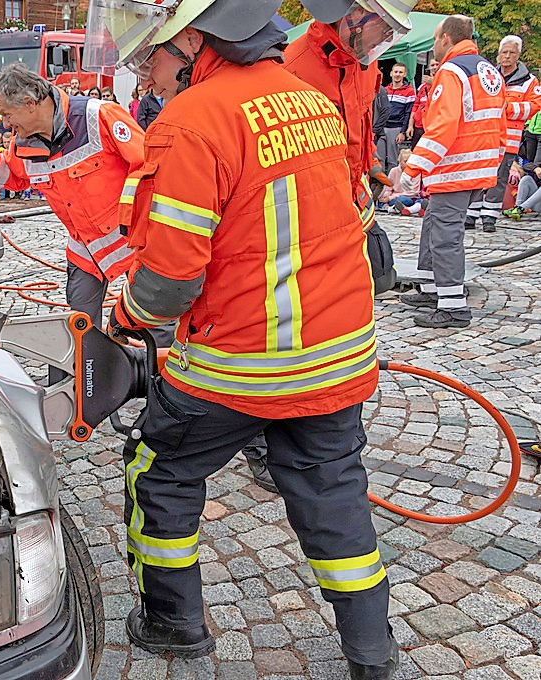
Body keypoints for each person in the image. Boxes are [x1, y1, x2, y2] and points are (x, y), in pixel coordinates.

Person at [85, 0, 403, 676]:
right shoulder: (308, 100)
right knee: (333, 495)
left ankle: (173, 623)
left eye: (152, 57)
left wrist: (125, 316)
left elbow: (170, 280)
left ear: (196, 42)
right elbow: (352, 212)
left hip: (242, 366)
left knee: (160, 470)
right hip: (338, 357)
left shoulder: (191, 120)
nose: (145, 76)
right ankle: (372, 654)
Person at [244, 0, 413, 494]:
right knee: (281, 329)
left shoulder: (364, 61)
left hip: (344, 216)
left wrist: (372, 178)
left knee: (334, 325)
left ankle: (320, 428)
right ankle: (262, 441)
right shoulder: (294, 65)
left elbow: (355, 136)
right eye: (381, 26)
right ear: (349, 15)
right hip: (296, 225)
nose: (383, 40)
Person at [0, 63, 145, 332]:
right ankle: (85, 371)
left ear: (30, 103)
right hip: (85, 247)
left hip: (134, 241)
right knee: (79, 326)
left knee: (152, 314)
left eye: (6, 114)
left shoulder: (98, 116)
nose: (5, 124)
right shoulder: (23, 144)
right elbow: (16, 178)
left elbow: (147, 167)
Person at [400, 15, 505, 328]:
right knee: (433, 225)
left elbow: (443, 126)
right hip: (475, 167)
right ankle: (430, 288)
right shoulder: (488, 70)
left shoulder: (451, 70)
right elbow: (500, 122)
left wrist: (415, 167)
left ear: (446, 38)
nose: (433, 45)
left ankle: (453, 306)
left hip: (454, 170)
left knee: (445, 236)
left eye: (434, 39)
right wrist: (492, 165)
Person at [466, 35, 541, 232]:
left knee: (499, 178)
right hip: (484, 136)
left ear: (518, 55)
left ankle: (489, 217)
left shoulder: (529, 81)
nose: (507, 56)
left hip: (509, 137)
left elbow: (535, 106)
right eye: (504, 52)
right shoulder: (488, 75)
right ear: (498, 54)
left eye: (511, 52)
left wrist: (509, 108)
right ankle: (471, 214)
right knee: (478, 174)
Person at [378, 63, 415, 171]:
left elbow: (408, 113)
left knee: (392, 159)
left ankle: (391, 184)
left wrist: (402, 132)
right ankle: (381, 184)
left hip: (396, 128)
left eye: (400, 72)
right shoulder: (384, 90)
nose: (397, 74)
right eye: (395, 72)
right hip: (382, 127)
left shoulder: (409, 92)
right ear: (391, 73)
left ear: (405, 74)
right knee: (378, 158)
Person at [407, 58, 439, 148]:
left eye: (437, 64)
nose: (435, 67)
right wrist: (410, 126)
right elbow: (415, 106)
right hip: (418, 126)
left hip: (432, 127)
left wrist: (434, 83)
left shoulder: (443, 84)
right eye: (432, 65)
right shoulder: (422, 87)